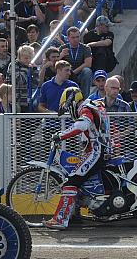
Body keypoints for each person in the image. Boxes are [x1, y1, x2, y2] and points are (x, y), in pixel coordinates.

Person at [45, 87, 110, 229]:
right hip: (99, 150)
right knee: (79, 181)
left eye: (68, 108)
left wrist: (60, 135)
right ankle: (74, 215)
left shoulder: (85, 108)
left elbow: (82, 125)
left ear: (72, 102)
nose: (69, 112)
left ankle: (60, 220)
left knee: (72, 181)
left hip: (96, 151)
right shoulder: (93, 105)